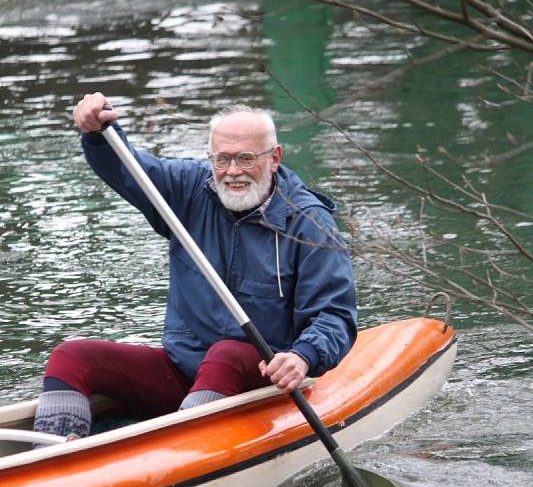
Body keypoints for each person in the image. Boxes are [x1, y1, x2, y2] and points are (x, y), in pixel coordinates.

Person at [33, 93, 357, 440]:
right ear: (210, 157)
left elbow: (335, 315)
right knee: (72, 356)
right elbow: (128, 169)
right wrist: (98, 131)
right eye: (223, 159)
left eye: (246, 158)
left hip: (265, 375)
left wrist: (303, 356)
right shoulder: (188, 188)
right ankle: (54, 458)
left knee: (226, 354)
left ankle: (185, 453)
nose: (233, 171)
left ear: (274, 157)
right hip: (186, 369)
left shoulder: (309, 223)